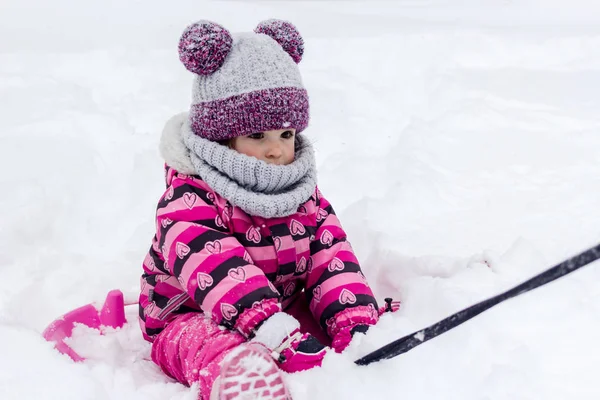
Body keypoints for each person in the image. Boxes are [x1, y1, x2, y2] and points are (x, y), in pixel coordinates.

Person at [138, 19, 399, 400]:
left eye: (286, 134)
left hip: (275, 313)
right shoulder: (190, 198)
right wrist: (274, 332)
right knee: (206, 344)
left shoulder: (300, 193)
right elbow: (217, 268)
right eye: (257, 136)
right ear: (221, 138)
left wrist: (355, 320)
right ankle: (240, 380)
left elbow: (331, 257)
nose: (276, 150)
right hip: (190, 315)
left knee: (336, 315)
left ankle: (318, 341)